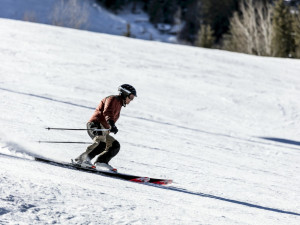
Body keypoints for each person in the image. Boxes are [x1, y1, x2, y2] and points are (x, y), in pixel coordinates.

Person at [74, 84, 137, 171]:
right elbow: (107, 112)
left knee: (114, 145)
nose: (131, 100)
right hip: (95, 124)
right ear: (125, 93)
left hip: (103, 129)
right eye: (131, 97)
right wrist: (112, 124)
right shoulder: (113, 99)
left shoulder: (119, 104)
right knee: (101, 144)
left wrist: (110, 127)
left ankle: (101, 161)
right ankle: (82, 160)